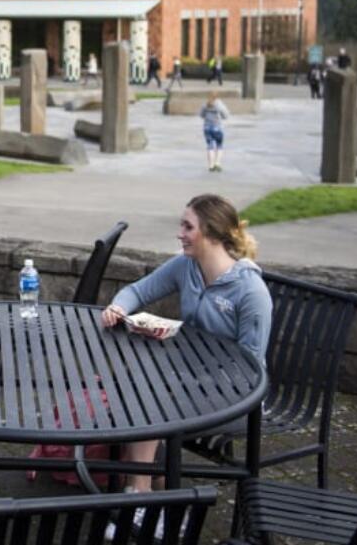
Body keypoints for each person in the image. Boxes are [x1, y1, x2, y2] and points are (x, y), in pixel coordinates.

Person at [100, 194, 272, 526]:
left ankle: (140, 501)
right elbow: (138, 290)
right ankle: (155, 502)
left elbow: (250, 369)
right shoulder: (186, 266)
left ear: (211, 233)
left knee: (150, 399)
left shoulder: (250, 292)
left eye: (187, 226)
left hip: (237, 400)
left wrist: (192, 385)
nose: (180, 233)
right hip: (191, 384)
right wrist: (119, 307)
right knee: (133, 388)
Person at [199, 91, 229, 171]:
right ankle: (217, 164)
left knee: (210, 146)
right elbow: (226, 115)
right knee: (219, 146)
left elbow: (201, 115)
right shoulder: (219, 104)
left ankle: (211, 166)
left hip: (207, 128)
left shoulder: (205, 104)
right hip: (217, 128)